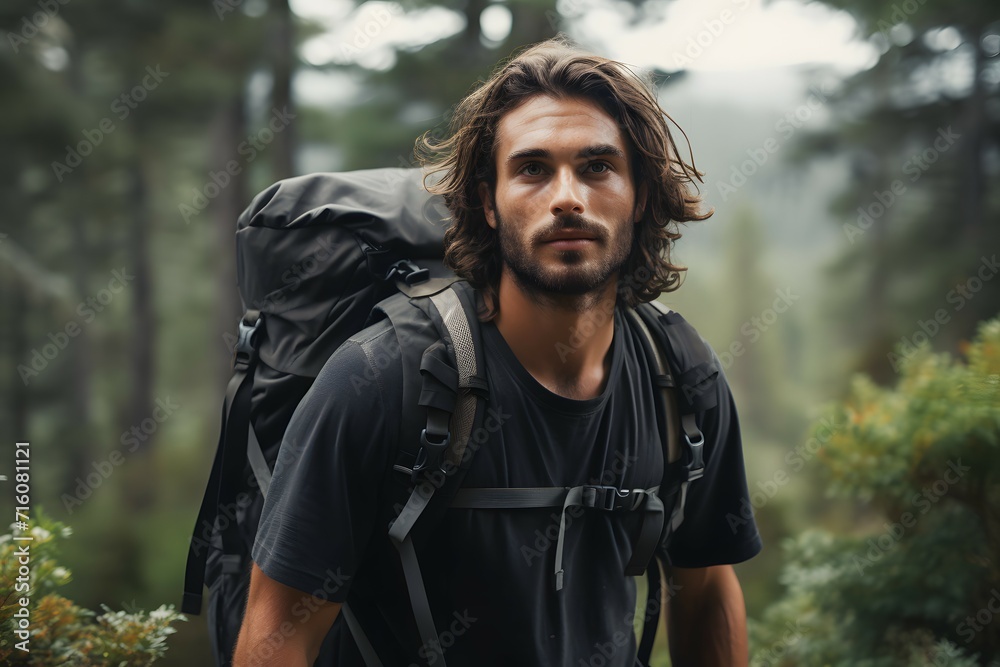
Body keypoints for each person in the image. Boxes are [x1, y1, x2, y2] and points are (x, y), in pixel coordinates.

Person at [233, 36, 762, 666]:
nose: (567, 196)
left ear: (640, 194)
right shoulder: (381, 378)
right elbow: (278, 633)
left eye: (597, 167)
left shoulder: (678, 374)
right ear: (487, 201)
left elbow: (703, 589)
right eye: (533, 169)